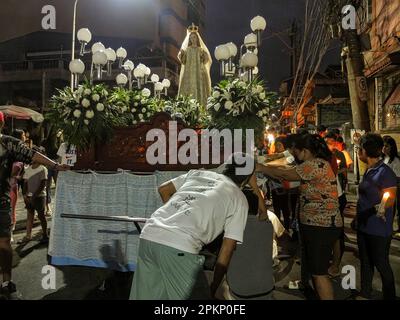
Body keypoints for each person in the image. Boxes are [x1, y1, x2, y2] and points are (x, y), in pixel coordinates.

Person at [130, 153, 255, 300]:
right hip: (179, 247)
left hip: (149, 236)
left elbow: (163, 189)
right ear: (247, 178)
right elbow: (227, 249)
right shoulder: (239, 199)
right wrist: (214, 286)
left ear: (225, 166)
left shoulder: (198, 173)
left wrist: (177, 217)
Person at [256, 134, 342, 300]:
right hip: (318, 224)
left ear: (305, 151)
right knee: (314, 269)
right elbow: (287, 172)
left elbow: (289, 175)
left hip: (321, 225)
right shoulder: (318, 163)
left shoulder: (315, 164)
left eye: (296, 151)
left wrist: (262, 168)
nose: (294, 154)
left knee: (319, 273)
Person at [0, 111, 70, 300]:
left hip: (1, 201)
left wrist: (55, 166)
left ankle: (6, 282)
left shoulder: (7, 143)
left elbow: (32, 155)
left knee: (4, 242)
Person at [353, 133, 397, 300]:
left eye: (359, 149)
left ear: (364, 151)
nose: (358, 153)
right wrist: (358, 218)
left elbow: (390, 198)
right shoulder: (369, 170)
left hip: (378, 228)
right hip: (363, 226)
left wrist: (381, 207)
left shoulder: (385, 173)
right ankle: (365, 293)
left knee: (381, 264)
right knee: (365, 262)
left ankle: (390, 296)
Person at [19, 147, 49, 244]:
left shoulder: (43, 169)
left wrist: (34, 196)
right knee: (30, 215)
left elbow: (43, 184)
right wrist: (24, 195)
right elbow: (25, 183)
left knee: (41, 216)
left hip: (40, 197)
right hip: (29, 197)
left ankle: (45, 234)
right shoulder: (28, 169)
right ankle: (28, 235)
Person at [177, 24, 212, 108]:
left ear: (197, 38)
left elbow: (206, 60)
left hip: (199, 73)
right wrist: (181, 54)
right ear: (189, 39)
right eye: (191, 37)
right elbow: (183, 61)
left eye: (194, 37)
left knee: (200, 90)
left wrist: (204, 56)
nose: (193, 39)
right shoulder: (187, 50)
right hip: (188, 74)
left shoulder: (201, 50)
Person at [382, 135, 400, 238]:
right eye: (383, 146)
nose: (384, 149)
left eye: (387, 146)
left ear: (392, 147)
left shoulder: (396, 161)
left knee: (392, 210)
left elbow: (398, 177)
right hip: (383, 189)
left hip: (392, 189)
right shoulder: (383, 158)